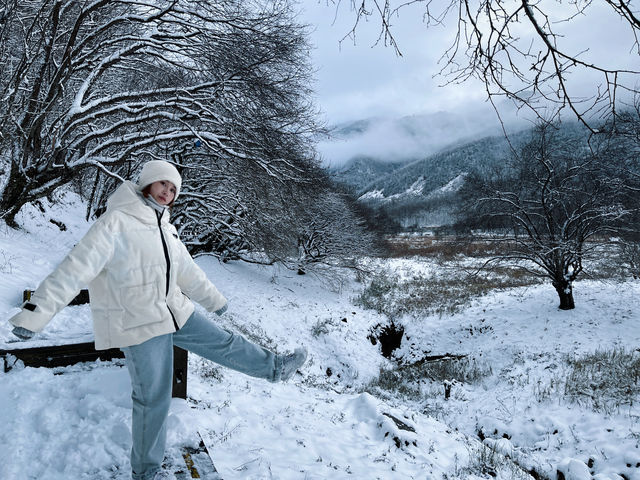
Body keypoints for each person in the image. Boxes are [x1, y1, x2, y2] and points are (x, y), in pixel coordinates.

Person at [8, 160, 308, 480]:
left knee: (225, 342)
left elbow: (188, 272)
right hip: (138, 321)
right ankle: (146, 471)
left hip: (174, 310)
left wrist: (216, 302)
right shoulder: (116, 221)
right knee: (153, 398)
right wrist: (35, 314)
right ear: (147, 183)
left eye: (174, 188)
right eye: (163, 183)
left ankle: (275, 368)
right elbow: (75, 268)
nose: (168, 191)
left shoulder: (165, 225)